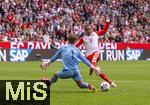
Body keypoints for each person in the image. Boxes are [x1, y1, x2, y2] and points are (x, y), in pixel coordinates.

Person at [76, 18, 117, 87]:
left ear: (91, 29)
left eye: (89, 29)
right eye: (87, 30)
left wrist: (107, 22)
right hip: (88, 57)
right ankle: (110, 82)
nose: (89, 31)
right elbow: (76, 46)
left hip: (96, 53)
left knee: (95, 61)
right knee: (98, 72)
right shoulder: (83, 38)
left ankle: (93, 67)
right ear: (85, 31)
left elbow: (104, 31)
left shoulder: (95, 34)